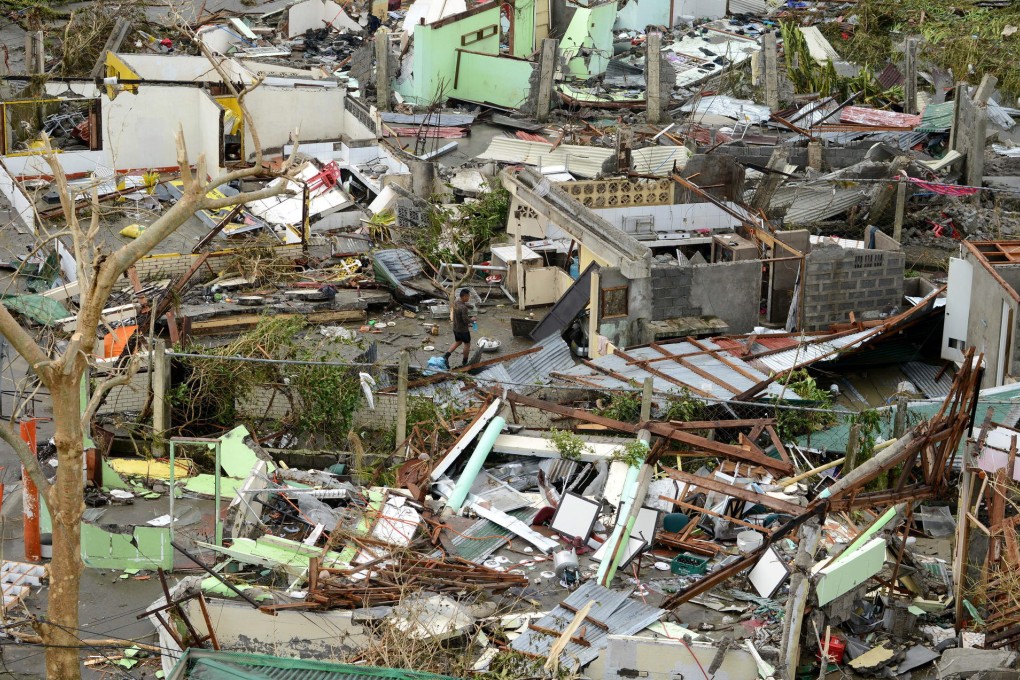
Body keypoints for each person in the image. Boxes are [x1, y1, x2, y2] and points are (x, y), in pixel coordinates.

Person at [443, 289, 476, 367]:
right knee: (467, 344)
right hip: (463, 330)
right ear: (464, 296)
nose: (469, 298)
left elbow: (463, 305)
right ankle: (465, 362)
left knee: (458, 342)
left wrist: (470, 306)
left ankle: (446, 356)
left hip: (456, 328)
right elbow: (465, 320)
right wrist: (472, 320)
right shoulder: (463, 308)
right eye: (468, 296)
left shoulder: (456, 302)